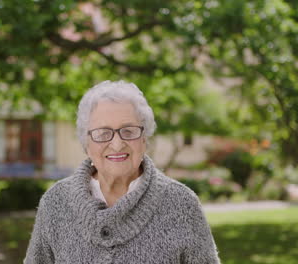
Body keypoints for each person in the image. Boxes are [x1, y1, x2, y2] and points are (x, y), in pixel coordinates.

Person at [24, 80, 220, 264]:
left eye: (128, 131)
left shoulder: (182, 203)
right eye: (103, 133)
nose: (117, 144)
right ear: (87, 143)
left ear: (144, 138)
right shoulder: (55, 202)